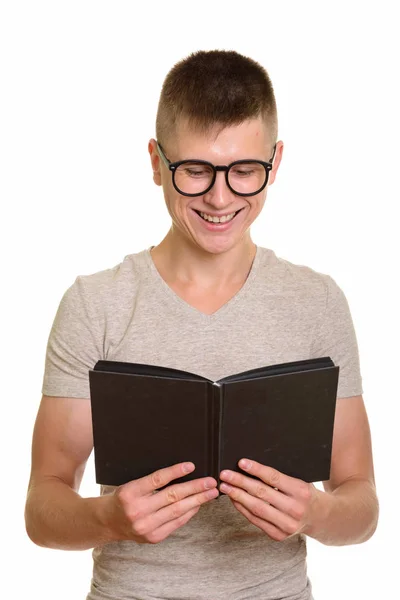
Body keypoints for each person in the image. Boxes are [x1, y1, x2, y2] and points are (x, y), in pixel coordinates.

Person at [24, 49, 379, 600]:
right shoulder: (96, 304)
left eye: (245, 171)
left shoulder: (318, 302)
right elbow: (43, 509)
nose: (219, 198)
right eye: (194, 170)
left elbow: (362, 507)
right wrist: (109, 519)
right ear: (155, 161)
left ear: (276, 163)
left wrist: (317, 512)